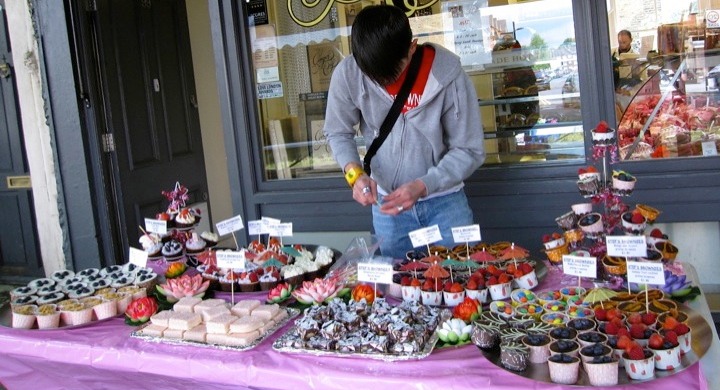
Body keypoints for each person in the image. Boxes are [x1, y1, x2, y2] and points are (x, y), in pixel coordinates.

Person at [323, 5, 485, 260]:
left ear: (412, 47)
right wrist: (355, 175)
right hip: (388, 208)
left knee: (460, 279)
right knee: (398, 291)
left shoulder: (448, 76)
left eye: (390, 74)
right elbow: (337, 131)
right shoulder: (349, 73)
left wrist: (424, 185)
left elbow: (469, 149)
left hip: (445, 203)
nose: (383, 82)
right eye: (373, 76)